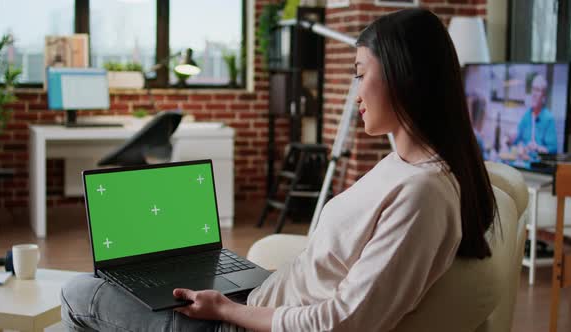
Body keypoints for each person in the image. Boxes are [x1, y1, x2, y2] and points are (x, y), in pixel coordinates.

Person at [60, 8, 497, 332]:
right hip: (262, 299)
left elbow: (346, 321)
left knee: (75, 293)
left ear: (403, 76)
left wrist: (226, 310)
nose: (355, 91)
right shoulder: (404, 163)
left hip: (243, 325)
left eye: (361, 73)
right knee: (140, 279)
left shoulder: (423, 194)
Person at [512, 74, 557, 154]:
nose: (534, 94)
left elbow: (552, 150)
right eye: (533, 89)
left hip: (538, 165)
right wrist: (509, 138)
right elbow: (516, 138)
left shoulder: (549, 119)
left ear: (544, 95)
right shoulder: (527, 115)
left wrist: (537, 148)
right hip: (523, 162)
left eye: (537, 90)